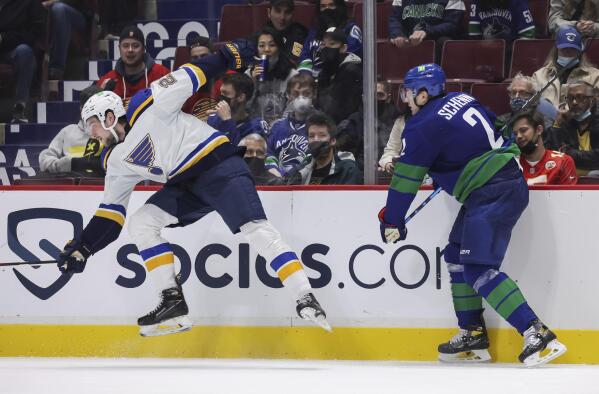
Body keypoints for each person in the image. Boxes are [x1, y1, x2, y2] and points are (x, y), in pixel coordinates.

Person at [56, 40, 331, 337]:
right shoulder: (117, 162)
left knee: (255, 229)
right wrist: (83, 248)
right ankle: (172, 301)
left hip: (219, 166)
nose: (90, 134)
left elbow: (195, 72)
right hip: (187, 185)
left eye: (92, 125)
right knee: (142, 222)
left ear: (109, 116)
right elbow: (110, 216)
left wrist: (230, 54)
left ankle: (305, 296)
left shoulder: (145, 103)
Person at [378, 63, 567, 366]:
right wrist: (448, 171)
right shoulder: (462, 99)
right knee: (455, 256)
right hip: (496, 186)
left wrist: (392, 220)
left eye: (410, 92)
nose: (407, 98)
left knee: (479, 268)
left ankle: (537, 333)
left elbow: (405, 180)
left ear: (425, 94)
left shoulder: (421, 125)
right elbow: (487, 132)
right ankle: (473, 333)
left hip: (493, 192)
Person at [39, 85, 105, 176]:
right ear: (82, 109)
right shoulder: (68, 131)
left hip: (100, 186)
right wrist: (71, 164)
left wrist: (97, 165)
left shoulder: (112, 133)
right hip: (68, 185)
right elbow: (45, 160)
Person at [338, 78, 401, 169]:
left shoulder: (399, 121)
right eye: (370, 95)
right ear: (364, 98)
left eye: (380, 95)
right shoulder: (353, 122)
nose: (375, 99)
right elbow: (345, 157)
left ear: (388, 98)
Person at [0, 0, 46, 123]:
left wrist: (4, 38)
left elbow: (35, 33)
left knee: (24, 51)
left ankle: (20, 106)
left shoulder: (29, 3)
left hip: (15, 48)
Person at [96, 25, 170, 102]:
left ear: (143, 49)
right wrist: (100, 95)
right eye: (125, 46)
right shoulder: (108, 81)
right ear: (119, 49)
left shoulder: (162, 74)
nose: (130, 50)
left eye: (135, 46)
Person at [287, 111, 362, 185]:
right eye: (311, 136)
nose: (316, 139)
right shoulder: (302, 169)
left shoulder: (347, 169)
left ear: (332, 141)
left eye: (322, 135)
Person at [532, 26, 599, 108]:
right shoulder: (539, 76)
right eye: (564, 49)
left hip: (581, 119)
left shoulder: (595, 76)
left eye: (572, 50)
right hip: (548, 120)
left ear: (580, 52)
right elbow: (533, 107)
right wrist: (554, 114)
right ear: (556, 50)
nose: (568, 52)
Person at [267, 74, 316, 176]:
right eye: (295, 94)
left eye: (306, 93)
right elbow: (268, 152)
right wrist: (275, 172)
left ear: (314, 94)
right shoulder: (277, 127)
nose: (301, 98)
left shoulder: (321, 126)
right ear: (288, 96)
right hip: (279, 182)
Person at [297, 0, 362, 78]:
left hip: (340, 78)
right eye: (323, 6)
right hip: (313, 80)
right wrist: (306, 75)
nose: (327, 9)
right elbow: (305, 55)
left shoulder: (351, 29)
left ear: (339, 6)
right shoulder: (314, 31)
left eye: (331, 5)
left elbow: (351, 57)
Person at [246, 27, 298, 125]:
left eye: (272, 45)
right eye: (261, 45)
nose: (266, 49)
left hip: (282, 129)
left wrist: (278, 127)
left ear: (279, 48)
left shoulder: (292, 75)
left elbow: (294, 108)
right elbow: (244, 108)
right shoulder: (249, 74)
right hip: (255, 128)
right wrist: (253, 84)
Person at [546, 80, 599, 175]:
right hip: (569, 179)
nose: (574, 102)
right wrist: (557, 124)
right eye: (570, 98)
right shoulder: (565, 123)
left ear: (592, 100)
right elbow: (552, 156)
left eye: (580, 97)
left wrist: (569, 153)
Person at [514, 110, 577, 185]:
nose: (518, 136)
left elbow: (568, 196)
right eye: (515, 133)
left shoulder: (563, 162)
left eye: (523, 130)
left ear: (539, 130)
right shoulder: (511, 164)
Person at [388, 0, 465, 62]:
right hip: (410, 40)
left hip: (438, 41)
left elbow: (453, 25)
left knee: (444, 41)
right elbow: (395, 19)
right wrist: (398, 34)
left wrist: (427, 31)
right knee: (393, 41)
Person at [315, 27, 362, 124]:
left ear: (343, 48)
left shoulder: (351, 71)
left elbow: (338, 111)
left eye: (332, 44)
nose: (326, 48)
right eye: (323, 44)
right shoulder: (326, 71)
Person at [207, 72, 268, 146]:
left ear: (241, 97)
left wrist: (227, 121)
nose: (220, 98)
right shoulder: (214, 118)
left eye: (226, 93)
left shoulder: (256, 127)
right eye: (221, 93)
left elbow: (237, 152)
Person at [44, 0, 94, 81]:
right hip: (44, 13)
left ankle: (57, 68)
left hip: (76, 13)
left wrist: (51, 2)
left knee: (59, 9)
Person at [261, 0, 308, 65]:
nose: (282, 17)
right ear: (269, 13)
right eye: (278, 11)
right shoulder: (259, 37)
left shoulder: (303, 35)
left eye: (287, 12)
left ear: (293, 14)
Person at [181, 35, 216, 119]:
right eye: (195, 58)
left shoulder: (229, 79)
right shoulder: (184, 83)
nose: (200, 61)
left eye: (204, 56)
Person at [468, 0, 535, 43]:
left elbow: (528, 35)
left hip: (511, 54)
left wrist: (516, 58)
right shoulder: (475, 2)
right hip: (485, 53)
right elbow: (474, 38)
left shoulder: (518, 2)